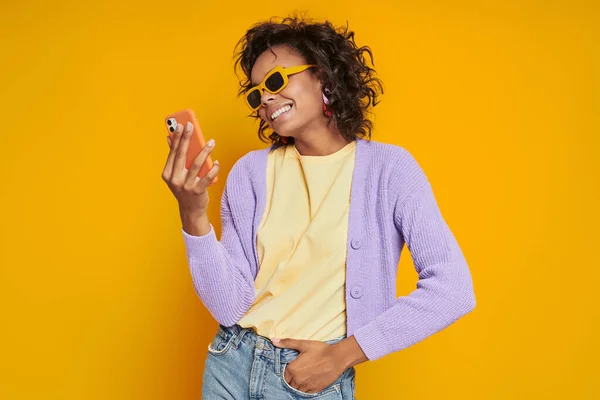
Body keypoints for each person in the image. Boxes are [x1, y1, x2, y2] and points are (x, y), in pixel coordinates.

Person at [162, 15, 476, 399]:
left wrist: (343, 355)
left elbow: (453, 288)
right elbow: (229, 305)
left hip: (306, 379)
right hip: (231, 363)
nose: (266, 99)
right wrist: (193, 214)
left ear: (324, 77)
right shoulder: (250, 173)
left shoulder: (390, 171)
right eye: (257, 93)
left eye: (276, 81)